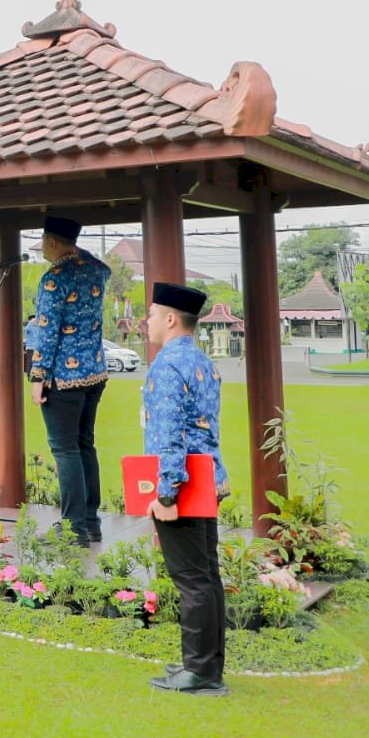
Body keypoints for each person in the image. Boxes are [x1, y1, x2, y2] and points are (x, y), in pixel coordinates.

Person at [142, 282, 229, 697]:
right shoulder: (202, 361)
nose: (148, 321)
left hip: (184, 485)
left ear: (171, 319)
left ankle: (201, 674)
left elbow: (169, 435)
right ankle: (205, 665)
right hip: (207, 477)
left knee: (193, 581)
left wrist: (166, 494)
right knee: (206, 578)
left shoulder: (165, 365)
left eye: (153, 314)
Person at [29, 215, 111, 546]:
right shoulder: (95, 271)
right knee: (84, 445)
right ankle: (90, 521)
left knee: (64, 449)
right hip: (94, 371)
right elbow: (101, 264)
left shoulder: (54, 279)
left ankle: (74, 526)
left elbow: (46, 331)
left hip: (63, 376)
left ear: (50, 242)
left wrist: (38, 376)